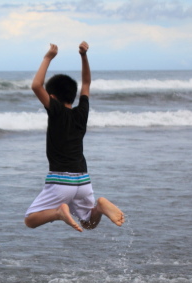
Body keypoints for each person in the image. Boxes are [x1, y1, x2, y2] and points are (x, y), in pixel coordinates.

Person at [25, 41, 125, 232]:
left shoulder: (56, 112)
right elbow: (86, 82)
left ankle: (58, 213)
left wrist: (48, 57)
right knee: (88, 223)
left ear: (52, 97)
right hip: (83, 180)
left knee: (30, 220)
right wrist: (83, 56)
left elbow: (36, 85)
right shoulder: (82, 113)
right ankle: (101, 206)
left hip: (61, 180)